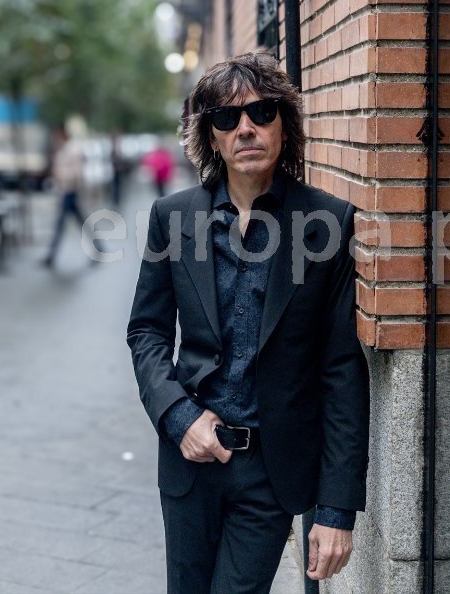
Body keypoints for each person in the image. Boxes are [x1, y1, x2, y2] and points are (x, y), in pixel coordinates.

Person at [127, 51, 369, 594]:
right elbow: (146, 332)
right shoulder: (173, 217)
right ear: (210, 137)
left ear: (285, 124)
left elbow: (341, 371)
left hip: (271, 470)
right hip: (190, 458)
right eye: (226, 118)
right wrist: (177, 415)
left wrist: (337, 508)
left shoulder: (328, 223)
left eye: (261, 112)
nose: (245, 128)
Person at [42, 125, 86, 268]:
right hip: (65, 190)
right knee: (80, 222)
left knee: (60, 224)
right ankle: (99, 248)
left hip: (69, 190)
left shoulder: (73, 150)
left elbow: (76, 172)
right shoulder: (65, 149)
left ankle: (51, 255)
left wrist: (62, 177)